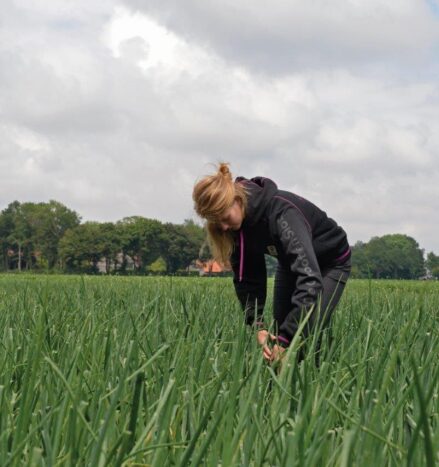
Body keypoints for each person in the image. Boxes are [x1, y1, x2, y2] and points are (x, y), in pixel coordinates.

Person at [192, 163, 351, 364]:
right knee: (277, 333)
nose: (224, 227)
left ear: (237, 201)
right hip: (290, 262)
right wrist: (259, 325)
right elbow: (247, 279)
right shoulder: (237, 227)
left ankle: (315, 382)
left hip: (330, 263)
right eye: (217, 223)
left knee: (305, 331)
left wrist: (287, 338)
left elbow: (309, 279)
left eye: (225, 218)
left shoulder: (282, 213)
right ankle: (275, 390)